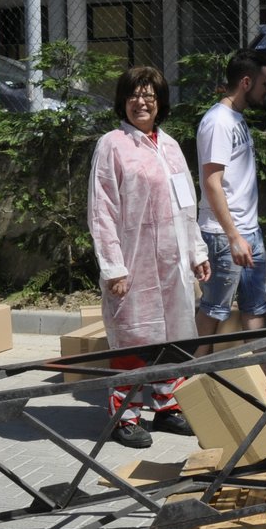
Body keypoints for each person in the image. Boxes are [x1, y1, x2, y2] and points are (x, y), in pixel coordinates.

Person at [88, 66, 211, 449]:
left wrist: (196, 251)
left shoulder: (170, 146)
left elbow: (186, 204)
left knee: (171, 336)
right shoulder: (112, 145)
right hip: (133, 260)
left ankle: (165, 406)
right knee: (133, 338)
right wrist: (113, 267)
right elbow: (101, 209)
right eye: (134, 95)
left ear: (160, 103)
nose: (141, 102)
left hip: (172, 260)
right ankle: (123, 416)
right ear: (122, 102)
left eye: (150, 96)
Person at [195, 50, 266, 348]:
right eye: (264, 84)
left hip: (248, 231)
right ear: (245, 82)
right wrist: (233, 236)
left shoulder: (235, 118)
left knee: (256, 307)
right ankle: (191, 380)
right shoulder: (218, 122)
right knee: (214, 310)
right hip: (224, 235)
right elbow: (212, 183)